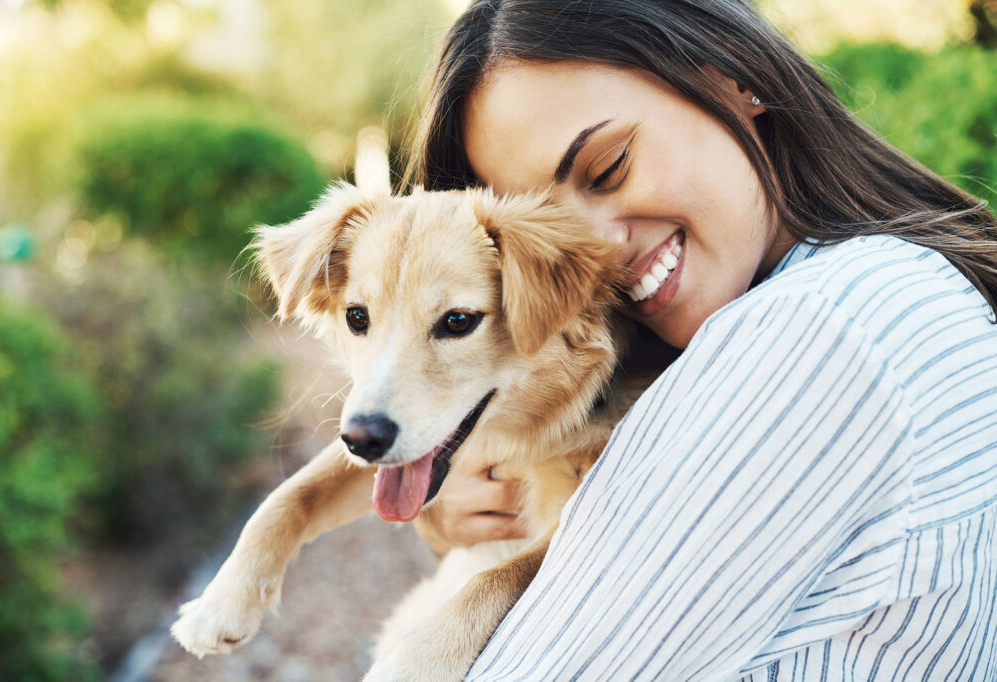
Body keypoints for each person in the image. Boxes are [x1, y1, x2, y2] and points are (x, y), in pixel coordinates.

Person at [405, 0, 997, 679]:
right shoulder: (898, 286)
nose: (594, 257)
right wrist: (499, 527)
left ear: (732, 78)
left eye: (608, 168)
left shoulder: (824, 330)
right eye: (546, 247)